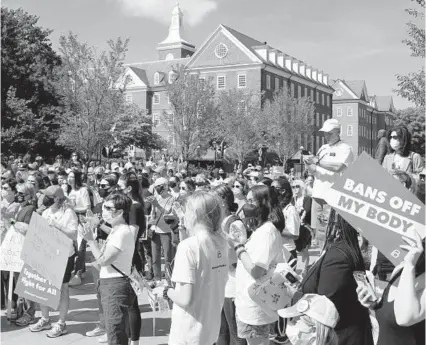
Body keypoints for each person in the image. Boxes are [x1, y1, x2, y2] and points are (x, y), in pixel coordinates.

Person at [296, 215, 374, 345]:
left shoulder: (339, 255)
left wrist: (294, 297)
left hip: (341, 337)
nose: (321, 220)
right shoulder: (343, 248)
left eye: (327, 216)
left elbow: (326, 305)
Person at [165, 191, 229, 345]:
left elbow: (185, 299)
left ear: (194, 214)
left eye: (186, 210)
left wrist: (166, 291)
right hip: (210, 326)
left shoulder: (188, 247)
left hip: (188, 329)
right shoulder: (222, 242)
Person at [230, 185, 285, 345]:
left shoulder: (267, 232)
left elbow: (256, 271)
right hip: (249, 302)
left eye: (251, 201)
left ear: (264, 203)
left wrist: (238, 247)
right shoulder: (261, 230)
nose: (247, 205)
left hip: (256, 306)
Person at [81, 194, 137, 345]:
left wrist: (90, 241)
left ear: (119, 212)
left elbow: (104, 260)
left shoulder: (121, 232)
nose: (103, 211)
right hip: (111, 282)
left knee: (115, 332)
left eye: (108, 208)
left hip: (115, 285)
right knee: (115, 329)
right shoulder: (115, 230)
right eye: (103, 207)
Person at [357, 230, 424, 345]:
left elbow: (405, 318)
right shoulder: (400, 269)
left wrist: (410, 265)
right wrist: (374, 304)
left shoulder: (408, 268)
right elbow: (389, 316)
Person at [29, 186, 78, 337]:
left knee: (63, 290)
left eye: (48, 196)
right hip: (47, 254)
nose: (44, 198)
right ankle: (45, 319)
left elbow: (73, 234)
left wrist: (57, 226)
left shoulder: (69, 213)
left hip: (64, 255)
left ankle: (61, 323)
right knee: (43, 287)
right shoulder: (45, 212)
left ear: (57, 198)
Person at [304, 119, 354, 252]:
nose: (326, 136)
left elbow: (338, 167)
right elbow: (316, 170)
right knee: (319, 231)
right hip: (318, 193)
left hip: (332, 195)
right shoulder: (323, 148)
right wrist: (309, 165)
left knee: (331, 229)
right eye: (325, 133)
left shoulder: (345, 148)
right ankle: (322, 255)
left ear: (338, 132)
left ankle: (330, 256)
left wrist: (318, 162)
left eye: (330, 133)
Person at [214, 185, 248, 345]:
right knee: (220, 331)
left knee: (236, 333)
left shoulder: (234, 224)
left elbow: (239, 257)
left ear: (223, 201)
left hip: (232, 285)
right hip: (220, 283)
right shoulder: (218, 222)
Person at [67, 171, 91, 286]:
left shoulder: (83, 190)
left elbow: (87, 207)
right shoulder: (69, 191)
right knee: (75, 247)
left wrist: (73, 210)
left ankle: (78, 273)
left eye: (71, 176)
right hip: (71, 220)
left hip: (81, 220)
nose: (69, 178)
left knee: (81, 247)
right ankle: (81, 270)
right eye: (68, 176)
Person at [150, 177, 174, 281]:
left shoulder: (171, 198)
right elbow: (153, 214)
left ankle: (169, 280)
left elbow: (167, 213)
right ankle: (157, 279)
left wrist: (157, 204)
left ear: (165, 186)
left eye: (158, 187)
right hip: (156, 230)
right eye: (155, 187)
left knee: (168, 258)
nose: (157, 189)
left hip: (166, 231)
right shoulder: (157, 198)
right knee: (155, 257)